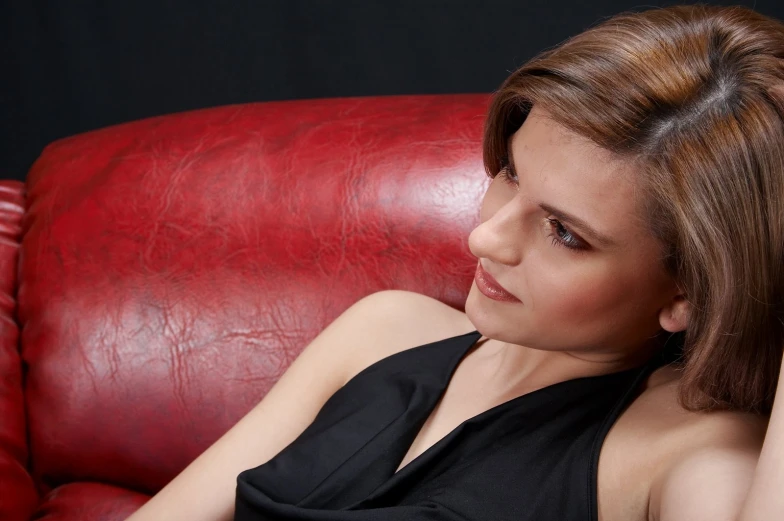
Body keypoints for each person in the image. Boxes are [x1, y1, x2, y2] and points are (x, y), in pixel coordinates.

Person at [125, 4, 784, 520]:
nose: (486, 240)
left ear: (691, 292)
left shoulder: (692, 450)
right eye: (508, 172)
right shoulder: (380, 330)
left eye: (565, 233)